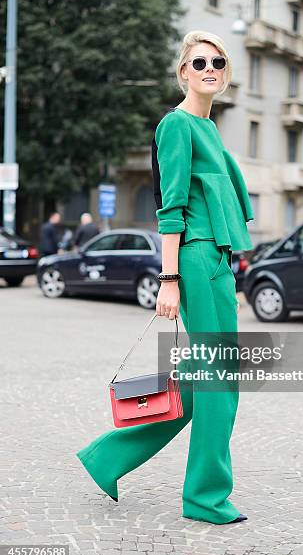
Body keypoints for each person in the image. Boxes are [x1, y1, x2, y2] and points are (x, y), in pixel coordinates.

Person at [76, 31, 254, 525]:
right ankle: (205, 496)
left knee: (200, 385)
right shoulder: (176, 126)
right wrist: (169, 279)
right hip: (194, 259)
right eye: (199, 62)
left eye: (218, 61)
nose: (209, 69)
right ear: (183, 72)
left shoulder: (210, 129)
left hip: (218, 261)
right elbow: (170, 209)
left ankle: (106, 457)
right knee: (220, 382)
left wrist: (229, 273)